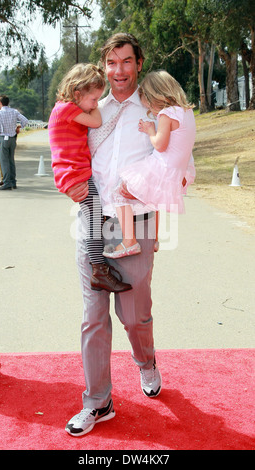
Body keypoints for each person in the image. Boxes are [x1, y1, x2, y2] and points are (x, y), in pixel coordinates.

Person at [64, 33, 164, 438]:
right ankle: (98, 401)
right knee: (93, 317)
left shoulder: (158, 108)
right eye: (112, 63)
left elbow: (175, 159)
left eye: (126, 62)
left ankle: (146, 362)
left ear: (139, 63)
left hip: (137, 223)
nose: (118, 71)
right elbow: (66, 150)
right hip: (92, 224)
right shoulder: (91, 109)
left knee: (133, 315)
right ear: (104, 67)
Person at [49, 63, 132, 294]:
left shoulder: (67, 108)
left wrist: (89, 105)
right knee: (94, 221)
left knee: (94, 218)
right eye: (94, 99)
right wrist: (93, 109)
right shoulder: (67, 108)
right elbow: (96, 121)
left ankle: (99, 269)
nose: (96, 104)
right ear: (77, 94)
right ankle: (98, 271)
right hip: (73, 173)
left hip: (74, 172)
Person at [103, 70, 196, 259]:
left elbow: (160, 145)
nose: (153, 113)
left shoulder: (167, 114)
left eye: (151, 108)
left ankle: (129, 242)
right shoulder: (187, 112)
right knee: (153, 201)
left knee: (118, 193)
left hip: (161, 168)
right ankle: (154, 239)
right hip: (179, 170)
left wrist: (150, 130)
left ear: (155, 96)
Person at [0, 95, 28, 190]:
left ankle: (7, 182)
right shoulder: (14, 111)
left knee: (4, 161)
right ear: (8, 103)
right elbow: (25, 121)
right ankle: (13, 182)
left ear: (0, 103)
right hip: (12, 138)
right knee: (11, 160)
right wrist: (18, 127)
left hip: (3, 138)